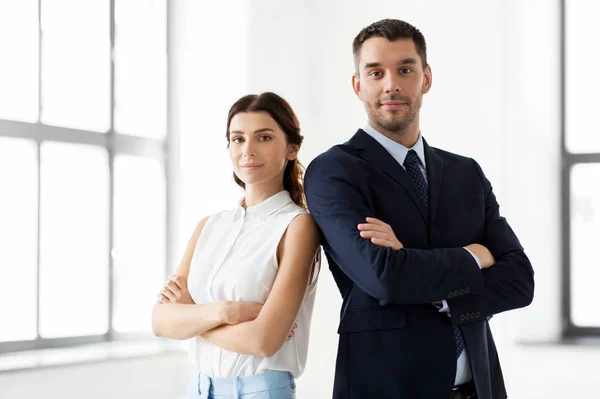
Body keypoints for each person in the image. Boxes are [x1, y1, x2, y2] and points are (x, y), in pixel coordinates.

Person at [304, 19, 534, 399]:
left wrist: (425, 277)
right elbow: (385, 277)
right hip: (387, 387)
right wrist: (473, 256)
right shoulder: (334, 171)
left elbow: (520, 281)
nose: (391, 84)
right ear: (358, 85)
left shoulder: (466, 172)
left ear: (426, 78)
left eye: (405, 70)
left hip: (480, 387)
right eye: (376, 72)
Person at [152, 92, 320, 399]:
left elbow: (264, 340)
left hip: (261, 391)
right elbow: (160, 321)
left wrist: (191, 318)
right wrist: (227, 311)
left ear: (292, 148)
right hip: (200, 389)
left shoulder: (298, 226)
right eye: (238, 138)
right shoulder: (209, 226)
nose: (248, 150)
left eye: (264, 137)